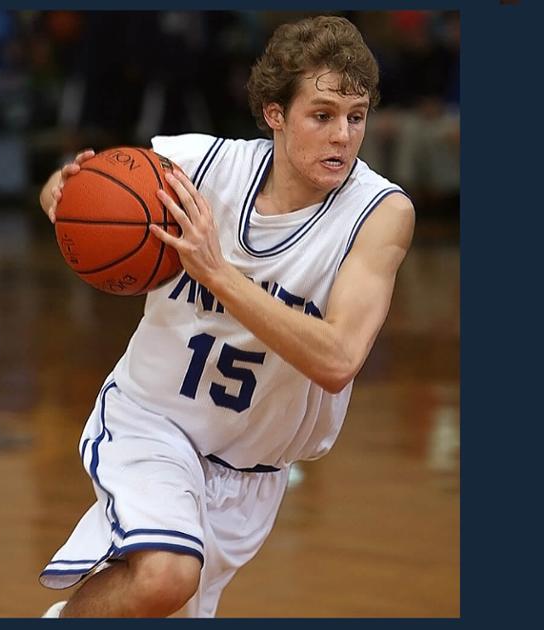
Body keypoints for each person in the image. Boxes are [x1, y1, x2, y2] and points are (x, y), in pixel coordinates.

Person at [35, 15, 415, 618]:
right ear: (274, 113)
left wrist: (217, 273)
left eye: (356, 116)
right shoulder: (200, 166)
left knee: (162, 599)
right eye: (322, 115)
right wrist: (64, 189)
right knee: (165, 577)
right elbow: (79, 189)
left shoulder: (379, 213)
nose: (343, 136)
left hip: (251, 474)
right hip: (153, 422)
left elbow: (339, 358)